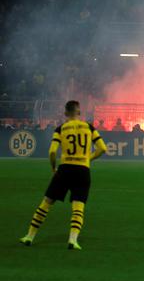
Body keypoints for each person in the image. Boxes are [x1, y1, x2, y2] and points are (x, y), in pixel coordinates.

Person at [19, 101, 107, 250]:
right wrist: (88, 158)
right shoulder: (89, 127)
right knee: (78, 206)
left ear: (65, 113)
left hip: (65, 168)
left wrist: (53, 168)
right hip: (82, 170)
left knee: (46, 202)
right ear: (79, 113)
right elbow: (102, 148)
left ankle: (29, 236)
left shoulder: (61, 129)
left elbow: (52, 152)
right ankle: (73, 240)